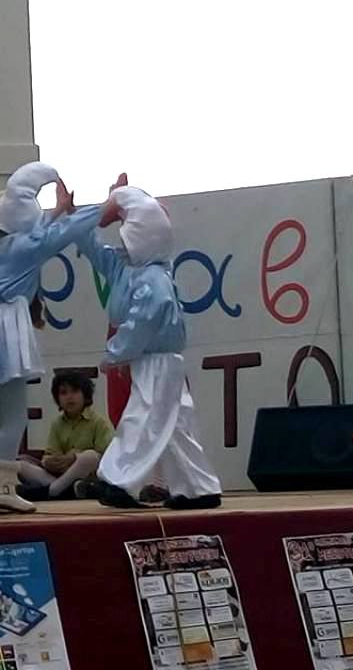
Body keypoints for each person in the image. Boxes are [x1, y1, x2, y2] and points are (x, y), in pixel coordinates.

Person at [0, 162, 114, 513]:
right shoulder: (23, 247)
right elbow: (57, 235)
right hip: (7, 330)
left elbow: (36, 233)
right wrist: (106, 206)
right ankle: (1, 488)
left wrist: (57, 211)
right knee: (13, 417)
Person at [76, 179, 222, 510]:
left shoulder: (152, 279)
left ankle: (117, 480)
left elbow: (143, 320)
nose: (123, 243)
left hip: (156, 360)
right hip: (158, 359)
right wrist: (84, 219)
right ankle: (198, 487)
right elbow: (97, 252)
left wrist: (115, 354)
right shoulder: (134, 269)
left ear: (141, 238)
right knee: (175, 425)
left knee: (142, 417)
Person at [16, 371, 113, 500]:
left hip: (87, 476)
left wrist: (74, 458)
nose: (69, 397)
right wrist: (49, 462)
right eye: (63, 392)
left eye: (75, 391)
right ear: (57, 399)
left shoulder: (99, 422)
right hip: (61, 476)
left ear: (86, 395)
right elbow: (51, 454)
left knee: (90, 457)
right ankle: (68, 491)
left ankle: (51, 492)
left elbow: (104, 458)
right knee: (21, 465)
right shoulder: (57, 424)